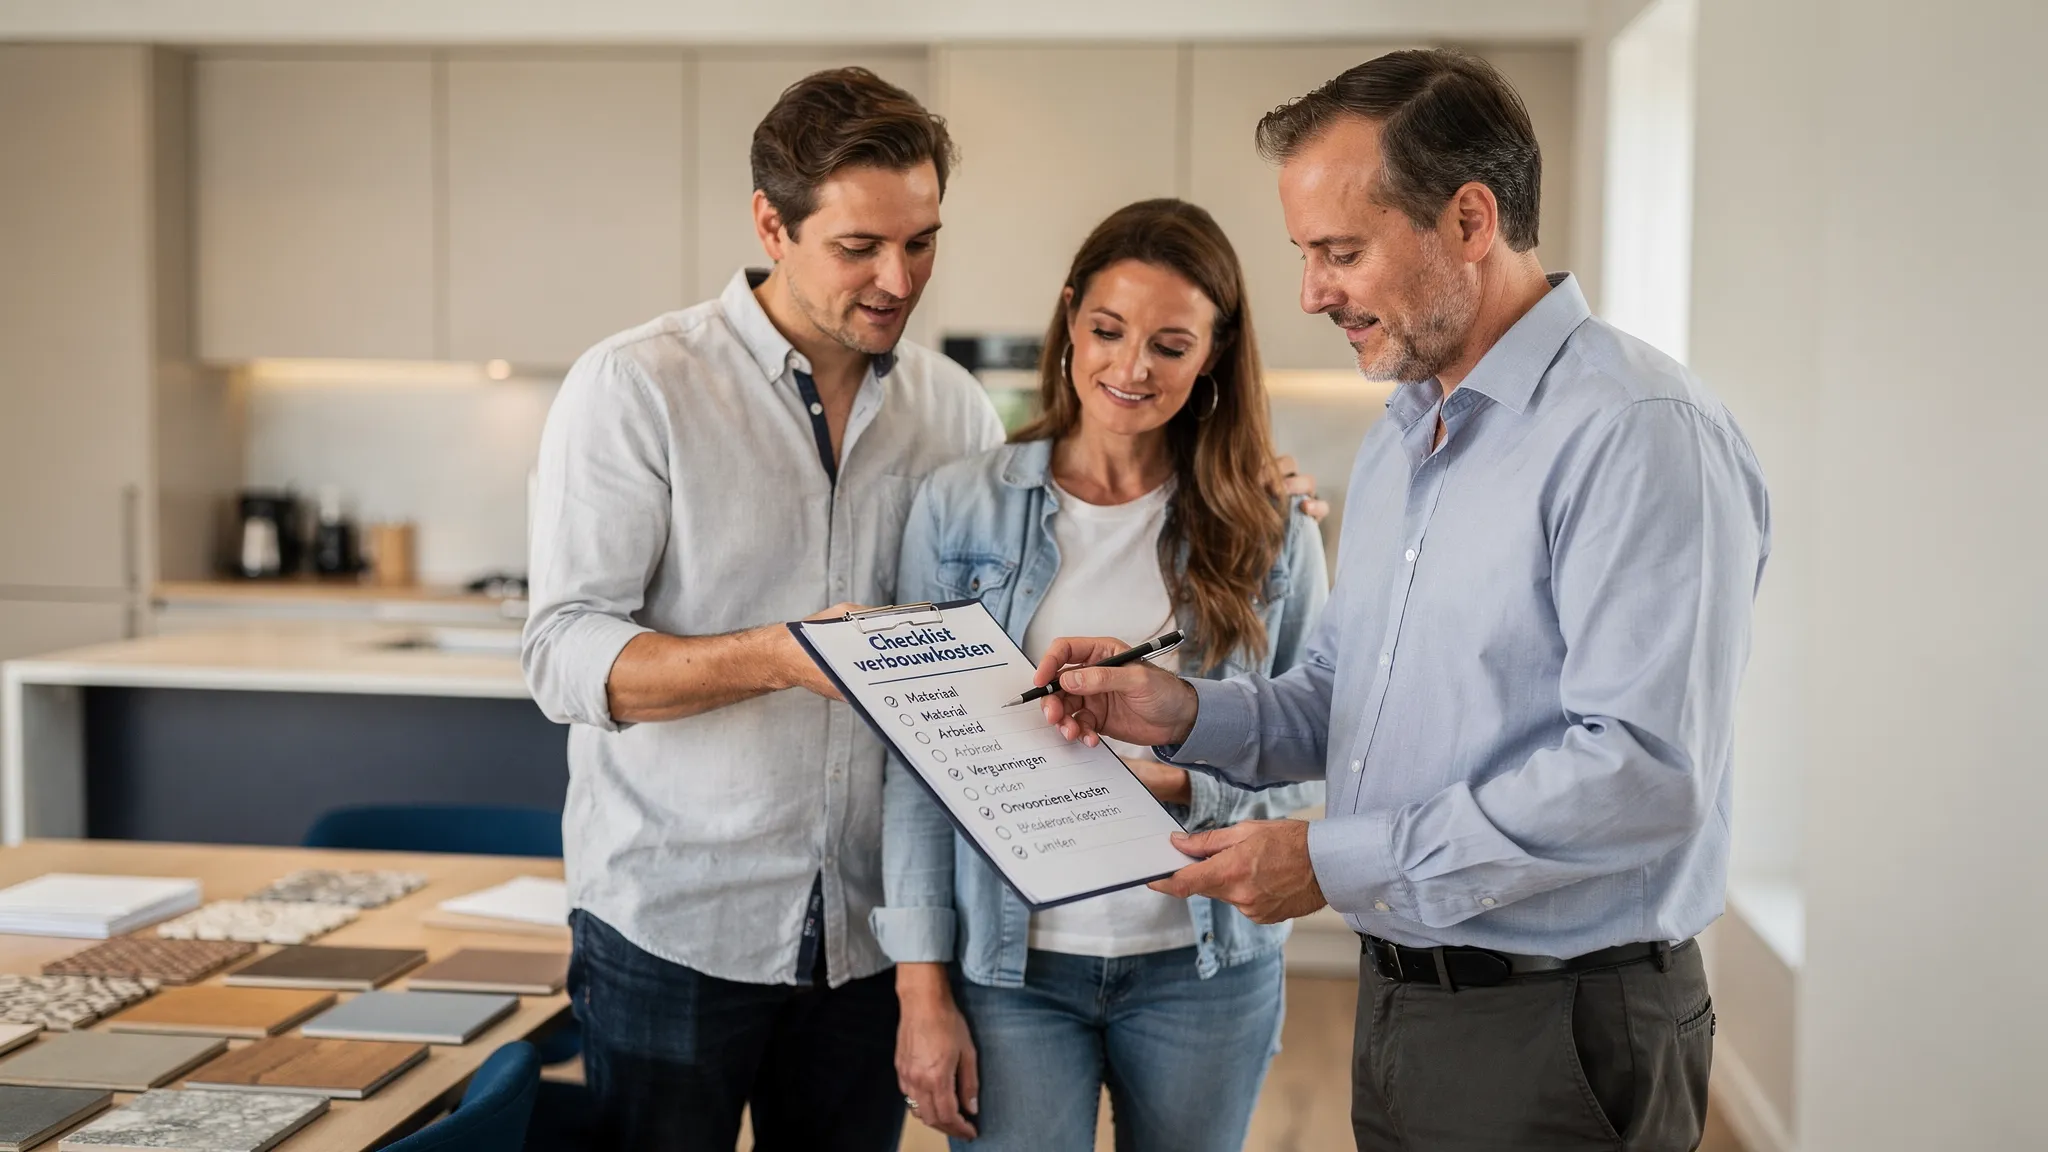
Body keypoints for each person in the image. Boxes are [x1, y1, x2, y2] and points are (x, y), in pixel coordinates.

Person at [1032, 50, 1772, 1152]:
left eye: (1340, 252)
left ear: (1468, 220)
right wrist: (1176, 710)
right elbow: (1344, 695)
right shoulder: (1402, 437)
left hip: (1558, 1021)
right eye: (1303, 254)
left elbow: (1639, 773)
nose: (1310, 293)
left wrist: (1327, 859)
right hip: (1406, 1004)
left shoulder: (1634, 432)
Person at [521, 68, 1003, 1150]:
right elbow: (561, 655)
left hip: (874, 936)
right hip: (673, 923)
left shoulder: (952, 410)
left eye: (921, 242)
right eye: (859, 247)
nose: (898, 278)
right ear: (769, 225)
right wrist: (779, 657)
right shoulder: (636, 387)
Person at [876, 199, 1328, 1152]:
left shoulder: (1273, 527)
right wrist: (922, 989)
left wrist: (1178, 781)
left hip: (1204, 966)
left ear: (1214, 352)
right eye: (1108, 331)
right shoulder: (962, 508)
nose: (1130, 369)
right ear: (1070, 317)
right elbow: (919, 765)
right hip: (1014, 969)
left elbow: (1321, 750)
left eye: (1170, 345)